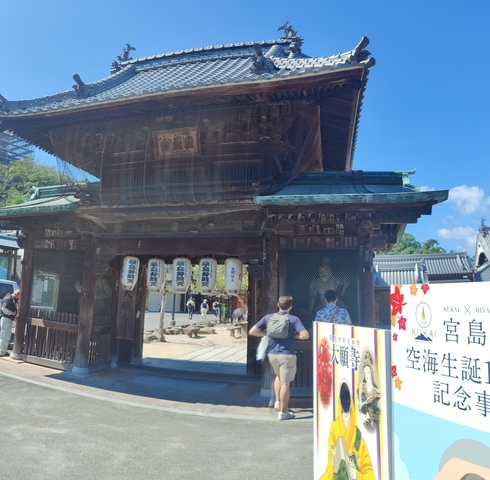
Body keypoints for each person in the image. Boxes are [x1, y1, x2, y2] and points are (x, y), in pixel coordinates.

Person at [249, 295, 309, 420]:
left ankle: (277, 401)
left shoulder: (268, 317)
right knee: (286, 384)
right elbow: (305, 335)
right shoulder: (293, 319)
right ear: (291, 307)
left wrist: (267, 334)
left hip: (272, 354)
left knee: (278, 376)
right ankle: (283, 412)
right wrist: (294, 336)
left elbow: (252, 331)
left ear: (278, 305)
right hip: (287, 354)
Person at [320, 380, 375, 480]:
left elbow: (369, 471)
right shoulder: (334, 429)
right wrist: (334, 459)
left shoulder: (358, 439)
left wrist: (357, 476)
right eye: (343, 411)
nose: (346, 416)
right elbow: (330, 462)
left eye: (348, 412)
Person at [357, 352, 381, 429]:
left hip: (373, 422)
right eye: (365, 373)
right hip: (362, 420)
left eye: (368, 372)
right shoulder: (362, 386)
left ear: (371, 372)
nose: (366, 375)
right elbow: (359, 403)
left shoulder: (376, 391)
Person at [0, 289, 20, 357]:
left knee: (6, 336)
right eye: (19, 296)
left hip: (8, 319)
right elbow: (3, 308)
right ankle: (2, 352)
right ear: (16, 294)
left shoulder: (11, 298)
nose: (19, 298)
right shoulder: (9, 298)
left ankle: (3, 351)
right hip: (6, 319)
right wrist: (12, 313)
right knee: (4, 336)